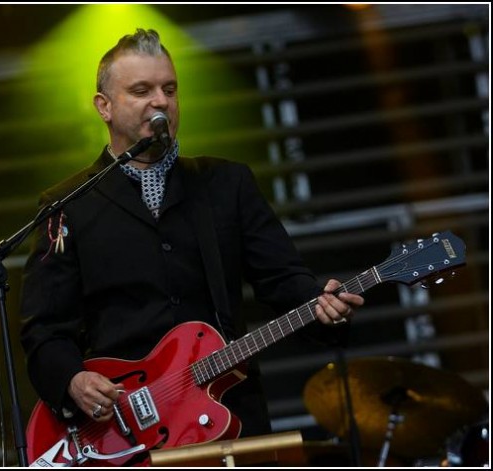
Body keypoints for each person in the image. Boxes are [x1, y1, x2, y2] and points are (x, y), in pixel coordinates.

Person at [19, 28, 364, 450]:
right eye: (141, 90)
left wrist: (322, 303)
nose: (160, 101)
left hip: (230, 415)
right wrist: (72, 379)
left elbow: (284, 280)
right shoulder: (68, 204)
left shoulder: (224, 183)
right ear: (103, 107)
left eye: (169, 88)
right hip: (125, 432)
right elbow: (45, 328)